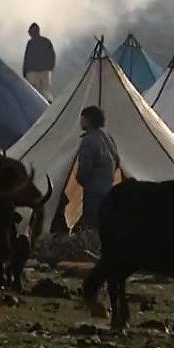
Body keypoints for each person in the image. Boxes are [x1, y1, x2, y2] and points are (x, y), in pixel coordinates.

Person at [76, 106, 120, 249]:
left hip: (94, 191)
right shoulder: (107, 137)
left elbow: (85, 168)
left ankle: (91, 250)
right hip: (107, 188)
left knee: (92, 224)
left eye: (83, 118)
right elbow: (117, 160)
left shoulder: (89, 140)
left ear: (87, 120)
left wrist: (81, 180)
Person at [22, 22, 55, 101]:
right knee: (45, 92)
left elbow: (27, 59)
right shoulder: (47, 41)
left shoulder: (30, 43)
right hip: (45, 71)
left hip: (32, 72)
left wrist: (25, 73)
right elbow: (52, 56)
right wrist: (49, 68)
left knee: (32, 94)